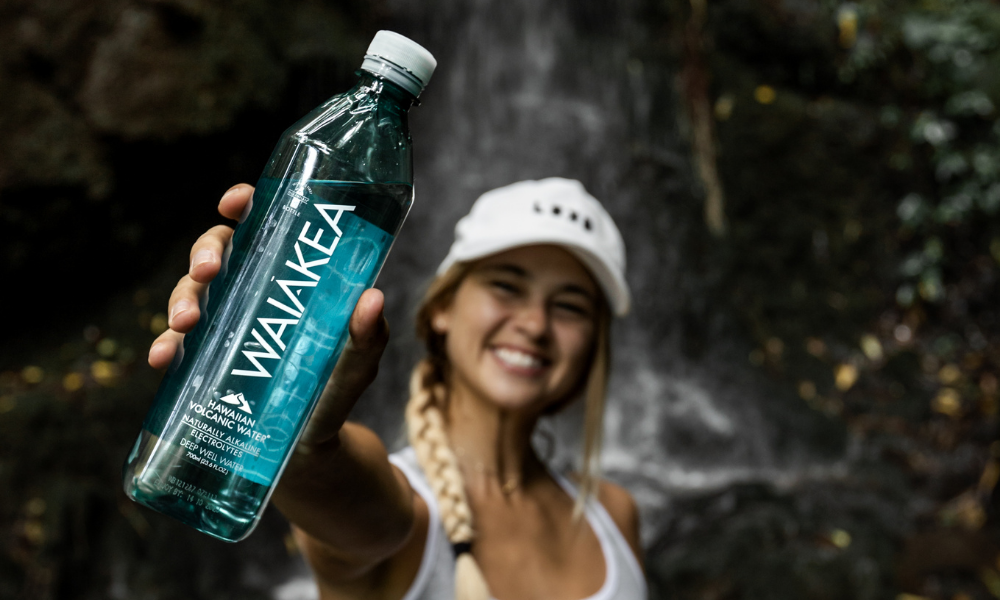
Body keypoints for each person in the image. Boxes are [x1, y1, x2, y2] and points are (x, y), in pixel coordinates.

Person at [149, 177, 647, 600]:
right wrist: (295, 426)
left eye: (570, 307)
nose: (536, 324)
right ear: (442, 309)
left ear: (594, 345)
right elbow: (336, 489)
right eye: (506, 286)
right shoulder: (403, 508)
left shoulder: (614, 514)